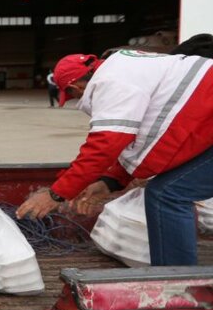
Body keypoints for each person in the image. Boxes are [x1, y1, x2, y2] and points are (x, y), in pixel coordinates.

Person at [16, 51, 213, 265]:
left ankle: (178, 285)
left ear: (75, 88)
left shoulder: (112, 83)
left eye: (73, 97)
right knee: (166, 189)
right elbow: (148, 142)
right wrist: (109, 183)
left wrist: (56, 194)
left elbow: (104, 146)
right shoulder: (126, 67)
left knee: (167, 194)